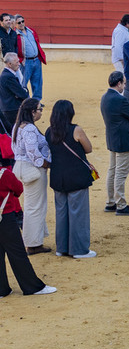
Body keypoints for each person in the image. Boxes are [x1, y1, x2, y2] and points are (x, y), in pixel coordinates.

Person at [45, 100, 96, 258]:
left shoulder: (49, 131)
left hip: (58, 177)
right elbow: (88, 148)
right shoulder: (76, 130)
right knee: (78, 214)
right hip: (76, 177)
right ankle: (79, 250)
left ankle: (62, 248)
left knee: (61, 214)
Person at [0, 163, 57, 296]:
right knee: (17, 253)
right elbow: (18, 189)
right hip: (6, 217)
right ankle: (32, 286)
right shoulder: (5, 174)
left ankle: (2, 289)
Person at [13, 98, 51, 253]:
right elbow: (33, 152)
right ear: (32, 112)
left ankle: (33, 240)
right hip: (32, 169)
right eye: (39, 109)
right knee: (36, 207)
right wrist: (46, 164)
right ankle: (34, 244)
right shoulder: (29, 128)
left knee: (31, 206)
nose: (41, 112)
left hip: (22, 167)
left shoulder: (18, 126)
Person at [101, 71, 129, 216]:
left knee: (112, 170)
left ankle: (111, 201)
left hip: (112, 138)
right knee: (120, 173)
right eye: (124, 82)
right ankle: (121, 205)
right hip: (124, 140)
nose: (125, 85)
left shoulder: (105, 97)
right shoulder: (120, 100)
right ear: (118, 84)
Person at [13, 15, 44, 101]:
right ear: (15, 24)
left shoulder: (31, 31)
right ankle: (25, 101)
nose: (22, 24)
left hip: (36, 60)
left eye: (23, 21)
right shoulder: (15, 35)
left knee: (37, 82)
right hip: (25, 61)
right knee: (23, 82)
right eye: (19, 22)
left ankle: (36, 101)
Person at [0, 52, 28, 133]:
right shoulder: (8, 77)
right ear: (9, 64)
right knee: (16, 133)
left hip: (9, 108)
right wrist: (24, 92)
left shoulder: (7, 75)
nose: (19, 64)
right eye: (17, 62)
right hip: (12, 110)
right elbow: (23, 94)